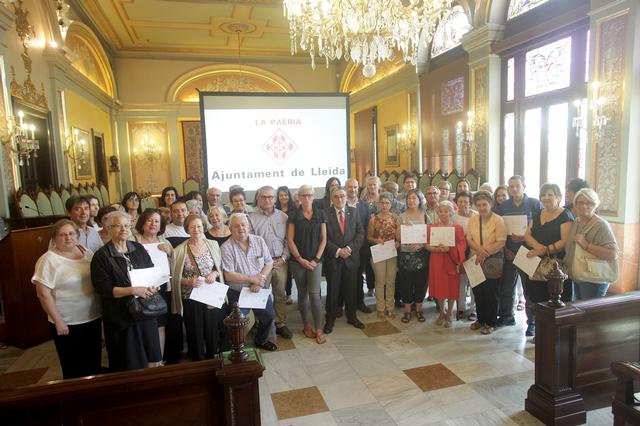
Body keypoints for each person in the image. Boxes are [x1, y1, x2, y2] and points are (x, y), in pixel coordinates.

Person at [90, 211, 162, 371]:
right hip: (121, 316)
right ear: (108, 229)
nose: (123, 229)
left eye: (126, 225)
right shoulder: (101, 256)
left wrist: (154, 285)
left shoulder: (137, 248)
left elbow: (150, 271)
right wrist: (132, 290)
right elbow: (104, 289)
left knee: (150, 354)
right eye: (118, 226)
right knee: (129, 359)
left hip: (145, 311)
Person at [32, 219, 102, 379]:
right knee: (73, 368)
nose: (68, 237)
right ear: (54, 238)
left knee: (93, 363)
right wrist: (58, 321)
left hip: (92, 317)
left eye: (71, 233)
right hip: (67, 322)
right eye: (62, 235)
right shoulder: (48, 260)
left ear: (77, 235)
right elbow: (43, 294)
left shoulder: (87, 253)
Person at [171, 215, 227, 360]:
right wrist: (189, 282)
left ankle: (212, 356)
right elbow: (174, 277)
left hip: (210, 294)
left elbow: (219, 266)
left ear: (203, 227)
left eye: (199, 226)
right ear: (187, 229)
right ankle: (197, 358)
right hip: (191, 295)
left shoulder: (213, 244)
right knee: (194, 329)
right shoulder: (179, 250)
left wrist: (214, 274)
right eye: (192, 227)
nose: (196, 229)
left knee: (211, 327)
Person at [524, 183, 574, 337]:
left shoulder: (565, 215)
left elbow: (565, 241)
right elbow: (527, 234)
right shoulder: (538, 213)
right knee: (537, 299)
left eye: (550, 194)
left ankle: (555, 335)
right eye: (543, 195)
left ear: (558, 197)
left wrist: (546, 249)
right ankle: (541, 334)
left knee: (555, 299)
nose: (546, 198)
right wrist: (538, 247)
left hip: (556, 265)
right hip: (536, 263)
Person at [221, 213, 277, 351]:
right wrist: (252, 279)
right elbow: (229, 275)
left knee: (269, 315)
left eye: (243, 225)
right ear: (230, 229)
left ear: (249, 227)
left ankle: (261, 340)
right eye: (236, 226)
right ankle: (230, 349)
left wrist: (259, 281)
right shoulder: (226, 247)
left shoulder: (259, 241)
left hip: (258, 287)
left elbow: (269, 263)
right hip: (238, 291)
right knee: (237, 321)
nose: (241, 228)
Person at [495, 175, 542, 328]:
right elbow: (499, 230)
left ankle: (532, 323)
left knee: (530, 289)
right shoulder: (504, 206)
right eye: (511, 186)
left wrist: (524, 238)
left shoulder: (534, 204)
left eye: (517, 186)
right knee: (506, 287)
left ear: (524, 187)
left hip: (527, 252)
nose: (514, 189)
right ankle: (506, 316)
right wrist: (506, 249)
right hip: (509, 252)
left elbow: (541, 228)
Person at [248, 186, 292, 339]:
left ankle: (280, 323)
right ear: (258, 199)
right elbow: (251, 243)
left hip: (281, 261)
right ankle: (263, 323)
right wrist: (266, 262)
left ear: (275, 199)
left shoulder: (284, 217)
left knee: (280, 294)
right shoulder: (251, 218)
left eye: (270, 197)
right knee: (262, 294)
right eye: (264, 197)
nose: (267, 200)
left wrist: (284, 258)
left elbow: (288, 240)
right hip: (262, 265)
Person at [287, 184, 327, 344]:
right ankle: (306, 325)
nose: (307, 198)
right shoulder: (293, 215)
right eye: (303, 195)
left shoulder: (320, 214)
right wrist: (300, 259)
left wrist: (316, 260)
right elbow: (290, 240)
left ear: (313, 196)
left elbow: (324, 239)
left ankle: (319, 328)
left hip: (315, 262)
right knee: (302, 294)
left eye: (309, 195)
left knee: (315, 294)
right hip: (298, 262)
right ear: (299, 197)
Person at [323, 187, 365, 333]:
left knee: (351, 289)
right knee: (333, 290)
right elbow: (323, 238)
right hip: (333, 258)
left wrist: (349, 248)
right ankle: (330, 318)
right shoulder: (325, 214)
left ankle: (352, 316)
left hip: (351, 257)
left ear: (346, 197)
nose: (339, 199)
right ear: (331, 198)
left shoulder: (354, 212)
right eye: (336, 196)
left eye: (342, 196)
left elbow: (360, 233)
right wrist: (338, 251)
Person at [565, 188, 618, 300]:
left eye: (589, 203)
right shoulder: (577, 221)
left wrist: (587, 245)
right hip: (579, 274)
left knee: (591, 314)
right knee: (581, 310)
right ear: (575, 204)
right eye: (581, 202)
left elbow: (613, 253)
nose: (584, 206)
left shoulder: (601, 225)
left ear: (595, 205)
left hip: (594, 278)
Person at [133, 209, 173, 359]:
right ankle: (143, 359)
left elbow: (176, 264)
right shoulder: (134, 240)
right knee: (143, 324)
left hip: (162, 288)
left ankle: (159, 359)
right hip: (141, 289)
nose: (153, 224)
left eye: (157, 221)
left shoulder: (165, 241)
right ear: (142, 223)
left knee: (160, 324)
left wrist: (170, 253)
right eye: (149, 220)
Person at [466, 191, 507, 335]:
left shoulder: (498, 220)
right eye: (479, 205)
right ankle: (480, 319)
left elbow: (501, 241)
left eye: (484, 204)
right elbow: (469, 238)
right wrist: (479, 251)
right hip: (475, 258)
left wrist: (484, 253)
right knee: (478, 291)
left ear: (490, 204)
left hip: (493, 260)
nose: (482, 207)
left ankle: (491, 322)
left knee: (491, 293)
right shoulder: (473, 219)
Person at [426, 201, 466, 328]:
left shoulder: (457, 228)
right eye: (441, 211)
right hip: (436, 260)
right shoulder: (431, 227)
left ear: (451, 212)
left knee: (452, 287)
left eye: (446, 211)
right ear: (437, 213)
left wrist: (450, 249)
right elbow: (427, 244)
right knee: (439, 286)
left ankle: (450, 313)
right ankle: (441, 312)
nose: (443, 214)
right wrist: (437, 249)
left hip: (451, 260)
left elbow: (462, 244)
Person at [397, 189, 430, 323]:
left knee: (421, 283)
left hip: (421, 253)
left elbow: (430, 235)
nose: (411, 201)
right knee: (406, 283)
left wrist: (421, 244)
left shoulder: (425, 215)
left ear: (420, 200)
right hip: (405, 254)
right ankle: (407, 311)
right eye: (409, 198)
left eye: (414, 198)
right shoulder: (401, 216)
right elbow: (397, 237)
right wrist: (403, 227)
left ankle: (419, 309)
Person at [367, 192, 399, 318]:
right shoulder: (373, 219)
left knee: (391, 281)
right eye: (382, 203)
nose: (384, 205)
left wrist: (398, 242)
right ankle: (380, 308)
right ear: (378, 204)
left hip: (392, 253)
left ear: (391, 204)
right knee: (380, 281)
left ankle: (390, 307)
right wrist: (376, 240)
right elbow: (368, 237)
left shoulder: (395, 218)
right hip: (379, 253)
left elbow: (400, 236)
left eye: (387, 203)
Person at [345, 178, 374, 312]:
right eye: (350, 187)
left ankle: (359, 302)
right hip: (343, 248)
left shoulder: (364, 206)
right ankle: (342, 304)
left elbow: (367, 227)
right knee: (344, 277)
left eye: (355, 187)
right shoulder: (340, 203)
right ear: (346, 188)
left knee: (358, 276)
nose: (353, 190)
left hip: (360, 248)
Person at [454, 191, 477, 321]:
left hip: (473, 252)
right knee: (461, 282)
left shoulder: (476, 216)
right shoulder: (454, 217)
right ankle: (461, 308)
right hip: (459, 254)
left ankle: (473, 309)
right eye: (460, 201)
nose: (463, 204)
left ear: (471, 203)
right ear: (457, 203)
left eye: (466, 202)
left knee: (474, 281)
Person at [275, 185, 295, 304]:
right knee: (279, 272)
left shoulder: (294, 210)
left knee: (288, 271)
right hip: (279, 242)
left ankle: (288, 294)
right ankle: (279, 294)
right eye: (281, 195)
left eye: (286, 195)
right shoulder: (274, 209)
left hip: (291, 242)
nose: (283, 197)